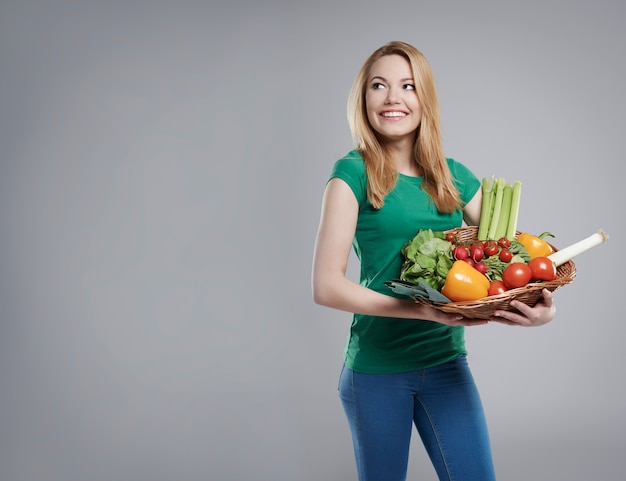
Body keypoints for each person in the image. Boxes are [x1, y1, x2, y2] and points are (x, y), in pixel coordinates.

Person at [311, 41, 556, 481]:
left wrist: (541, 306)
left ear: (424, 98)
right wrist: (418, 310)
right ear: (363, 99)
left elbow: (509, 260)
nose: (392, 97)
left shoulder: (454, 176)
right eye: (378, 85)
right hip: (376, 370)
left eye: (407, 85)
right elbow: (327, 286)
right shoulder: (351, 174)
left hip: (446, 365)